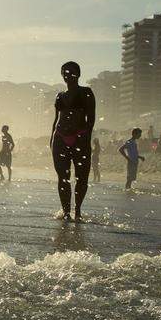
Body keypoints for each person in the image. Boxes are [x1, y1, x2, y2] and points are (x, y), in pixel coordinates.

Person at [51, 61, 96, 220]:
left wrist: (86, 139)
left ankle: (78, 211)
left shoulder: (86, 93)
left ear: (78, 74)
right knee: (62, 177)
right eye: (64, 72)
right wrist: (52, 141)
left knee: (81, 178)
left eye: (70, 72)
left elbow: (91, 119)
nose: (67, 75)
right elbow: (56, 120)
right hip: (60, 138)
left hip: (80, 137)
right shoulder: (60, 96)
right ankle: (66, 212)